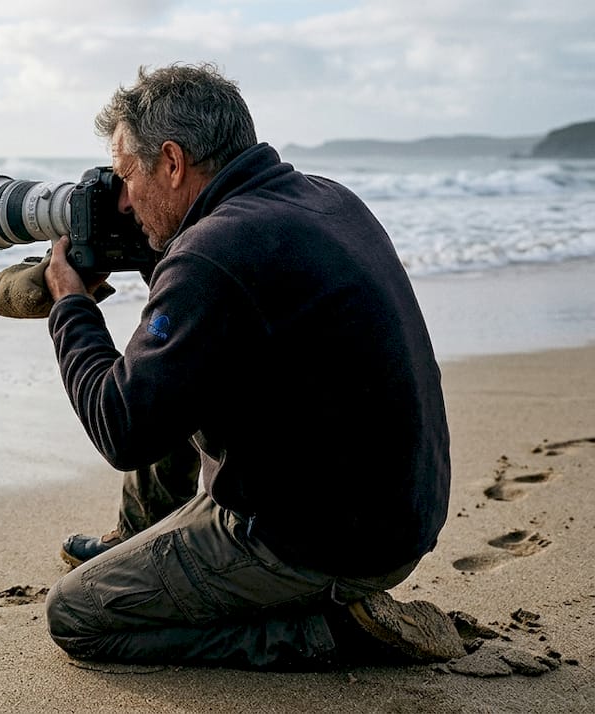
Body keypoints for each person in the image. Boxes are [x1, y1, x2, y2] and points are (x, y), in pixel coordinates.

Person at [41, 63, 463, 669]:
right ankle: (139, 539)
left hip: (321, 543)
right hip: (396, 513)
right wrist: (153, 258)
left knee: (77, 615)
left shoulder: (214, 252)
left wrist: (71, 306)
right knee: (175, 374)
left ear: (172, 161)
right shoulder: (324, 198)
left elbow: (122, 430)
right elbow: (208, 325)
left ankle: (327, 633)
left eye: (126, 177)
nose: (124, 200)